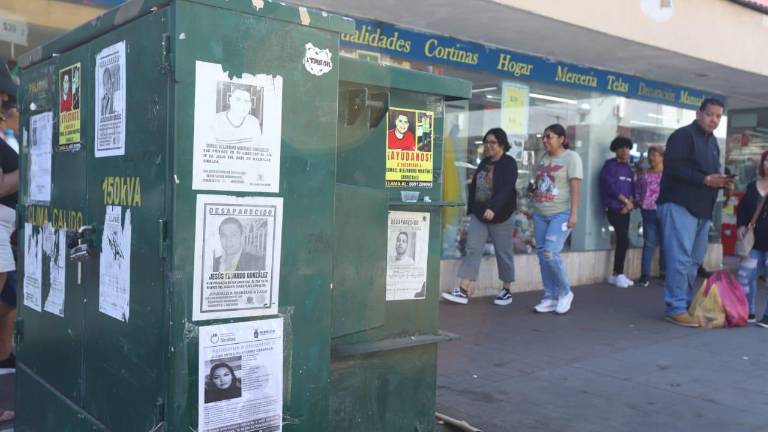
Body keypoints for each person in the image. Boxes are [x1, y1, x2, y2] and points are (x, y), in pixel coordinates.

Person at [657, 98, 732, 327]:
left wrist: (722, 181)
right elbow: (674, 168)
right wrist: (706, 179)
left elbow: (710, 173)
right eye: (710, 114)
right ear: (699, 114)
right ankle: (675, 307)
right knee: (680, 259)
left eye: (718, 116)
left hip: (702, 209)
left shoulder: (712, 142)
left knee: (694, 260)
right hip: (679, 204)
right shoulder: (683, 135)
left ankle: (685, 302)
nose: (714, 120)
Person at [441, 128, 518, 306]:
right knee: (472, 249)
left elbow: (507, 189)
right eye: (486, 142)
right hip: (480, 215)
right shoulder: (484, 162)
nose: (488, 145)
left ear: (502, 144)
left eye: (492, 142)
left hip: (501, 216)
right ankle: (463, 289)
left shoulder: (509, 163)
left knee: (503, 252)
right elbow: (477, 188)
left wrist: (494, 208)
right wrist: (470, 210)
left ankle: (506, 290)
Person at [531, 124, 582, 314]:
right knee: (542, 255)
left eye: (549, 137)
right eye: (543, 137)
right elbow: (539, 183)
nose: (545, 140)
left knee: (550, 253)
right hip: (540, 213)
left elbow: (575, 187)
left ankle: (565, 292)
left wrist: (574, 213)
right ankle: (550, 297)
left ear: (561, 139)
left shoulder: (572, 158)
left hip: (561, 213)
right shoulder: (542, 157)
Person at [735, 150, 768, 327]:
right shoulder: (752, 186)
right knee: (746, 277)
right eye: (767, 160)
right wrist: (741, 225)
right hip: (753, 242)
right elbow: (742, 209)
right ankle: (748, 311)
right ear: (763, 164)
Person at [599, 136, 635, 288]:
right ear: (616, 150)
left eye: (627, 148)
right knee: (623, 239)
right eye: (622, 148)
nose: (625, 151)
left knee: (623, 241)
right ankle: (618, 274)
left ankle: (617, 274)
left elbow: (632, 188)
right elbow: (610, 188)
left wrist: (629, 203)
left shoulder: (628, 169)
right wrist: (625, 201)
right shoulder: (609, 166)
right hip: (613, 208)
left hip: (626, 209)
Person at [634, 146, 665, 286]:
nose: (651, 158)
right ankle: (644, 275)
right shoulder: (644, 174)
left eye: (654, 155)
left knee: (666, 244)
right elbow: (637, 191)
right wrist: (640, 203)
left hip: (664, 212)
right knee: (649, 243)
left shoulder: (668, 174)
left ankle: (664, 272)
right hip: (648, 212)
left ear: (662, 157)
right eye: (649, 155)